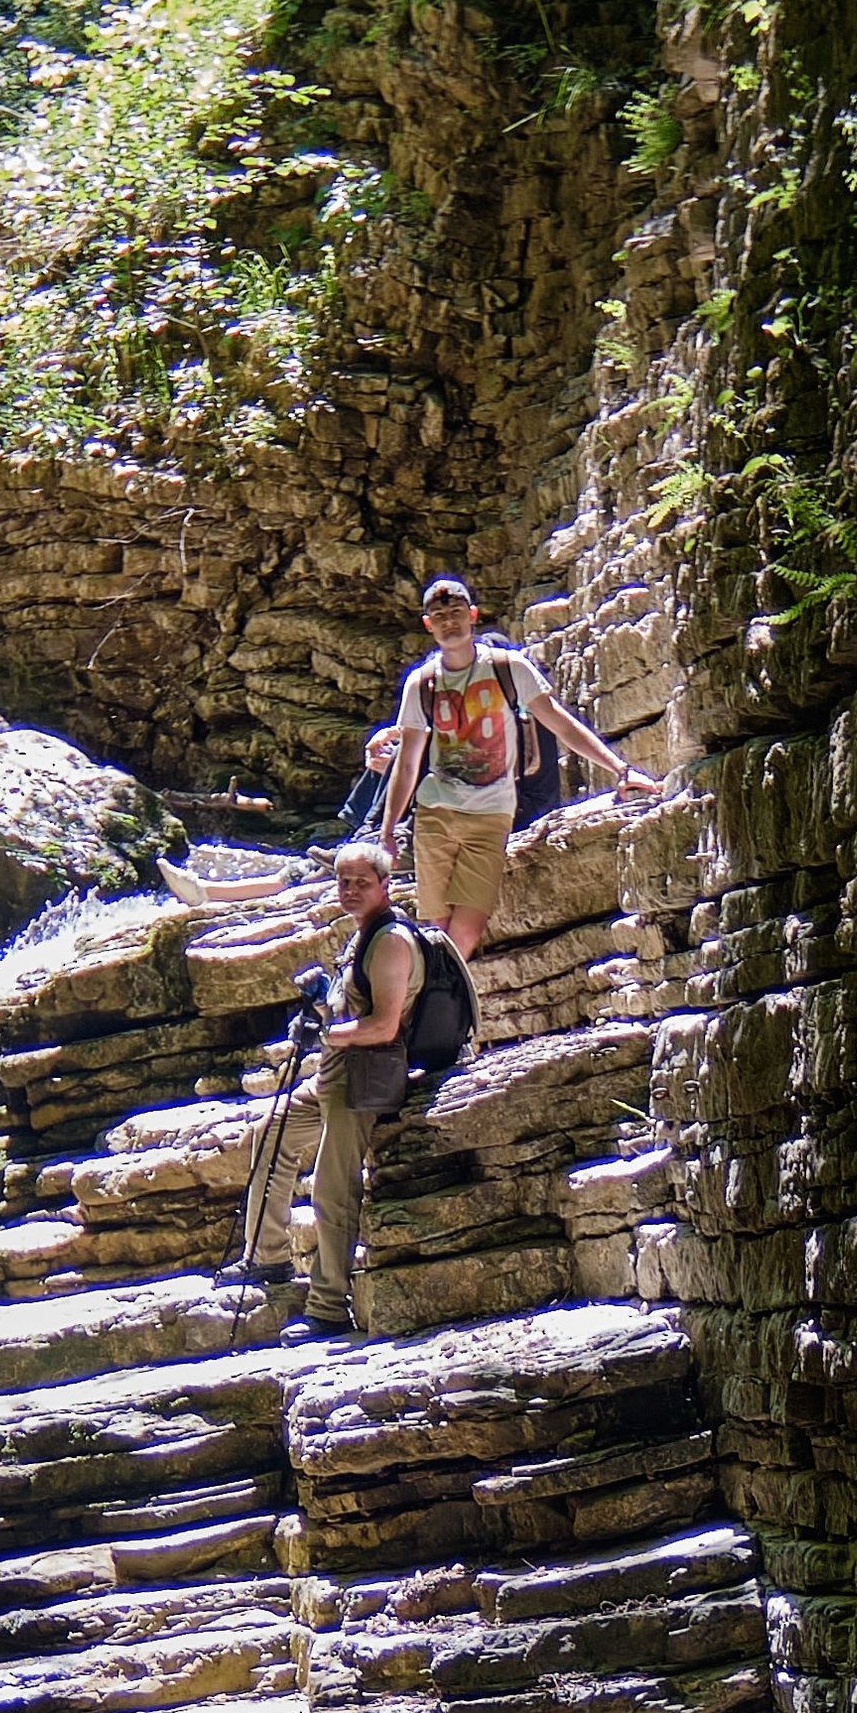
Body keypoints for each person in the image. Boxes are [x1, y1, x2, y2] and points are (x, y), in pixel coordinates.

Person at [384, 575, 659, 957]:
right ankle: (430, 1010)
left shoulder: (508, 667)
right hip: (435, 814)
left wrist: (621, 770)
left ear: (473, 615)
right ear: (428, 624)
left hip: (491, 813)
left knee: (463, 934)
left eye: (456, 612)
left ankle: (425, 1004)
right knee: (436, 929)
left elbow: (560, 723)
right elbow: (408, 762)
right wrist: (387, 831)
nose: (449, 621)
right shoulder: (422, 684)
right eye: (439, 615)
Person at [219, 840, 423, 1342]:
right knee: (270, 1135)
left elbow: (384, 1026)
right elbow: (353, 1007)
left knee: (334, 1190)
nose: (350, 891)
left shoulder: (391, 941)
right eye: (343, 882)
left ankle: (329, 1307)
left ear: (384, 885)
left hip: (363, 1080)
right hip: (332, 1077)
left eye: (361, 883)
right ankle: (266, 1257)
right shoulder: (360, 936)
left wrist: (326, 1033)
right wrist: (324, 1002)